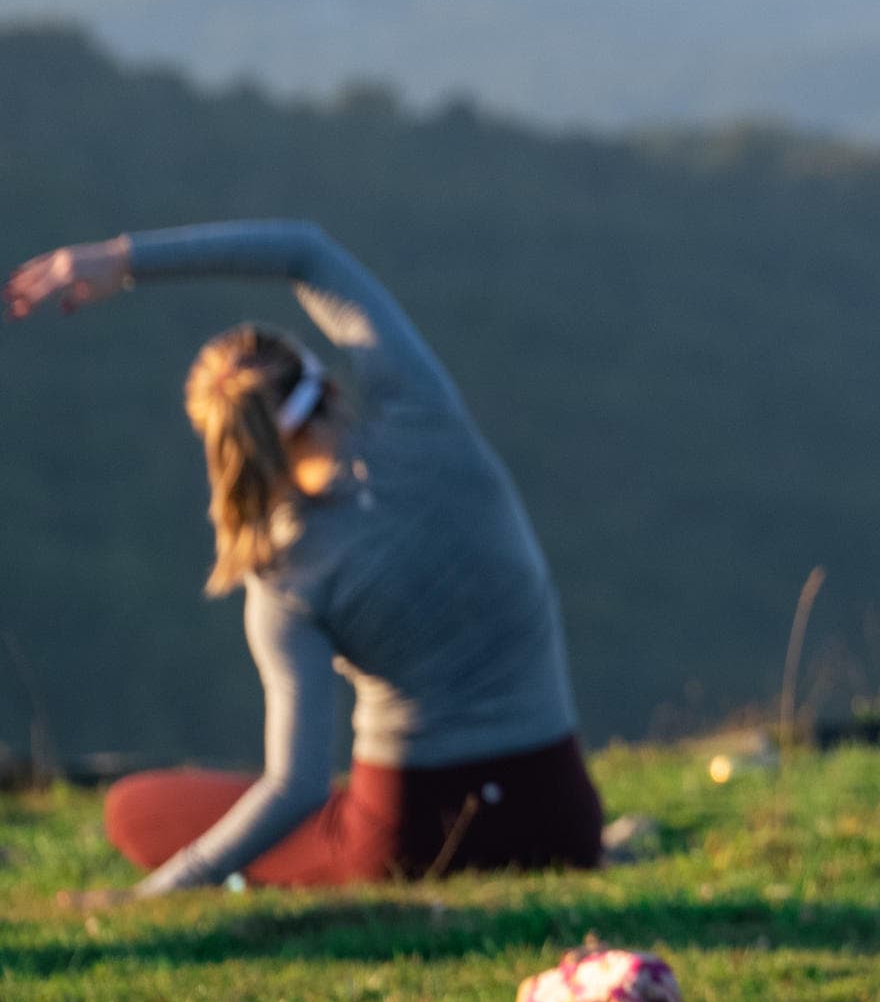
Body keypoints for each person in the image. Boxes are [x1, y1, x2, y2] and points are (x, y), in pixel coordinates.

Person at [6, 222, 602, 894]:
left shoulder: (286, 571)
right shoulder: (423, 412)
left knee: (137, 808)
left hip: (412, 842)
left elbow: (296, 786)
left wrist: (153, 894)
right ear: (321, 379)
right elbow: (306, 252)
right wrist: (118, 259)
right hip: (563, 819)